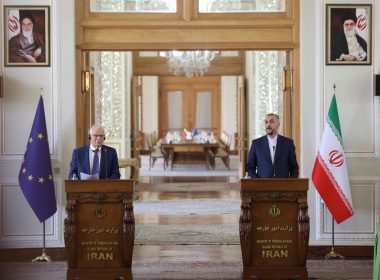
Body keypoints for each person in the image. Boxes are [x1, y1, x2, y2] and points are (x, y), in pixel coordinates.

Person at [246, 113, 299, 178]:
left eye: (271, 122)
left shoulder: (288, 143)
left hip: (283, 185)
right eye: (266, 122)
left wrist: (291, 184)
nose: (268, 124)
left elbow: (294, 167)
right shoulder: (256, 144)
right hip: (262, 185)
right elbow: (250, 167)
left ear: (278, 124)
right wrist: (257, 182)